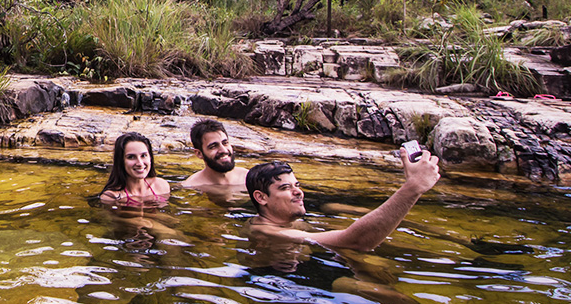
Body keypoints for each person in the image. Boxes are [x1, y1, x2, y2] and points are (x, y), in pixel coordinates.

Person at [244, 146, 441, 251]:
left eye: (298, 185)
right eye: (286, 188)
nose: (298, 192)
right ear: (261, 198)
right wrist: (413, 188)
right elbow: (356, 241)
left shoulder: (288, 224)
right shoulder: (269, 232)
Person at [99, 132, 171, 206]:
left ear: (150, 158)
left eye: (143, 155)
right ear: (121, 161)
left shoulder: (161, 186)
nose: (140, 163)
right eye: (131, 157)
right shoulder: (111, 197)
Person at [181, 118, 248, 189]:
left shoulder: (246, 178)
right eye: (213, 146)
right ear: (199, 154)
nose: (224, 150)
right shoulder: (192, 186)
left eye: (225, 143)